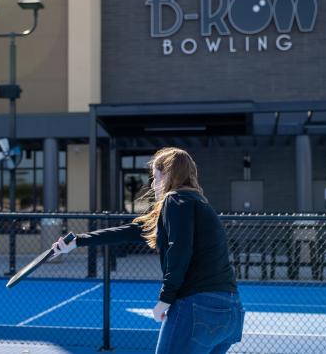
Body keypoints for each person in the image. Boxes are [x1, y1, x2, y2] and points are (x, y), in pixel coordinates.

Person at [53, 147, 244, 353]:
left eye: (155, 177)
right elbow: (130, 231)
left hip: (197, 307)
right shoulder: (198, 203)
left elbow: (179, 251)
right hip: (230, 310)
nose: (152, 185)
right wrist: (77, 241)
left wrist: (165, 299)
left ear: (168, 174)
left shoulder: (175, 201)